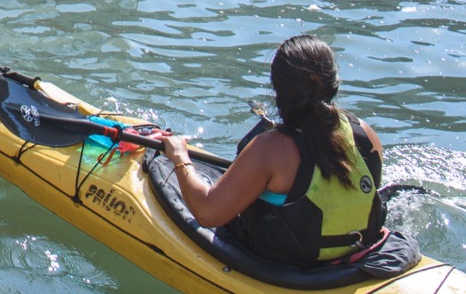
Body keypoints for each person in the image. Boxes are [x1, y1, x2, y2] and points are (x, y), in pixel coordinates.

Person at [162, 35, 385, 266]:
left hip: (294, 267)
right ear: (334, 83)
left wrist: (180, 156)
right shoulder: (366, 135)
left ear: (278, 90)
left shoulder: (269, 149)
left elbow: (208, 213)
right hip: (355, 257)